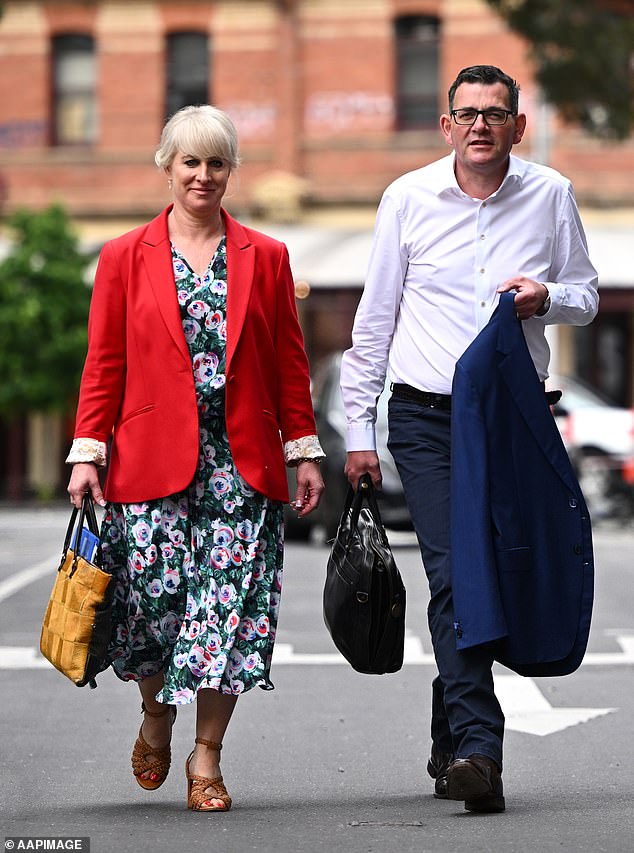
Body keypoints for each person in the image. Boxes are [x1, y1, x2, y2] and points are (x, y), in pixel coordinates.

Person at [340, 65, 598, 812]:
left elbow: (584, 293)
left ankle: (449, 716)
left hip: (515, 416)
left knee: (505, 568)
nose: (481, 124)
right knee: (456, 573)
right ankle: (481, 751)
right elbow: (374, 322)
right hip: (427, 419)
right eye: (467, 113)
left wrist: (546, 296)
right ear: (446, 126)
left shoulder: (550, 194)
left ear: (517, 126)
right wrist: (361, 431)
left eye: (496, 113)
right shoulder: (407, 199)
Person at [67, 104, 325, 812]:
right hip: (151, 462)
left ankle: (206, 757)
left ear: (230, 171)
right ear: (167, 166)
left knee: (227, 611)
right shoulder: (124, 256)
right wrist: (87, 452)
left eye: (217, 162)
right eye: (191, 162)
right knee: (155, 607)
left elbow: (286, 362)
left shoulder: (266, 255)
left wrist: (302, 449)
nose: (204, 175)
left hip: (241, 467)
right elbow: (104, 362)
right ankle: (157, 710)